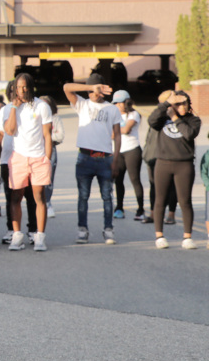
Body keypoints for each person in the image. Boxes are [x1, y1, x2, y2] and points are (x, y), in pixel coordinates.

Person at [63, 75, 122, 245]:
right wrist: (90, 87)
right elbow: (66, 87)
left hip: (104, 158)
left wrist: (116, 159)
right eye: (90, 90)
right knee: (83, 196)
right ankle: (82, 229)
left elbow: (117, 135)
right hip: (85, 157)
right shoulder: (82, 104)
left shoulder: (112, 109)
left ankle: (108, 229)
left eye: (96, 89)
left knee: (107, 196)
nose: (93, 93)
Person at [3, 73, 53, 251]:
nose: (21, 90)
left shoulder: (41, 106)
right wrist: (14, 108)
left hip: (38, 157)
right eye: (18, 87)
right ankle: (17, 236)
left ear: (31, 87)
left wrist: (47, 158)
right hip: (18, 157)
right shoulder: (12, 107)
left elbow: (48, 135)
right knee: (15, 197)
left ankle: (40, 236)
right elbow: (9, 131)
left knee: (39, 197)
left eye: (25, 87)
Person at [148, 91, 200, 249]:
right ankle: (159, 236)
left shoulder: (193, 120)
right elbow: (151, 121)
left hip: (184, 164)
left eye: (184, 103)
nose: (182, 106)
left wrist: (176, 118)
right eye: (178, 103)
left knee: (185, 201)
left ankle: (187, 237)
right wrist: (166, 104)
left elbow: (189, 134)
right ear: (172, 105)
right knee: (160, 200)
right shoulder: (162, 119)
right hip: (163, 163)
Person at [142, 90, 178, 226]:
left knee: (172, 186)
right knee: (153, 185)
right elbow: (151, 128)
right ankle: (153, 213)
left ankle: (171, 214)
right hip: (153, 155)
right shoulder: (158, 116)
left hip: (171, 156)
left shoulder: (177, 116)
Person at [112, 90, 144, 221]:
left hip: (132, 150)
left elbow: (126, 129)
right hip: (118, 151)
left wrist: (114, 131)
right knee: (118, 180)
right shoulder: (113, 116)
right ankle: (119, 208)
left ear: (127, 102)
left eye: (120, 103)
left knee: (134, 180)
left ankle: (140, 209)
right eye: (116, 103)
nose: (118, 106)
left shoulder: (134, 114)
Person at [41, 96, 65, 219]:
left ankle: (48, 203)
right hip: (37, 149)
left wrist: (46, 137)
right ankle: (38, 203)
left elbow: (60, 136)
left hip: (51, 149)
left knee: (48, 179)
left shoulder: (55, 119)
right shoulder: (35, 118)